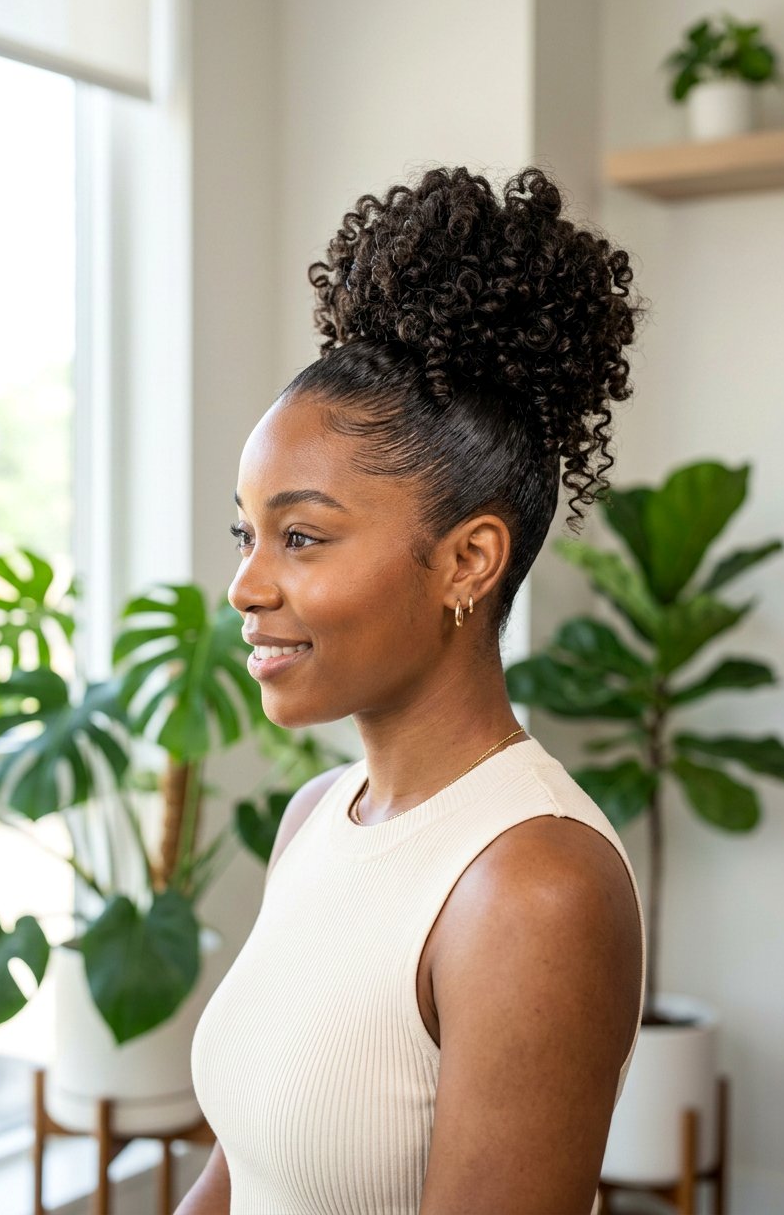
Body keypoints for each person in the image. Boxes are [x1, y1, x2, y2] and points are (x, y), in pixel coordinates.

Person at [179, 164, 646, 1215]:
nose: (246, 585)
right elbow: (235, 1178)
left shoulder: (531, 889)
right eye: (245, 534)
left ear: (467, 561)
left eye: (300, 536)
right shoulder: (313, 821)